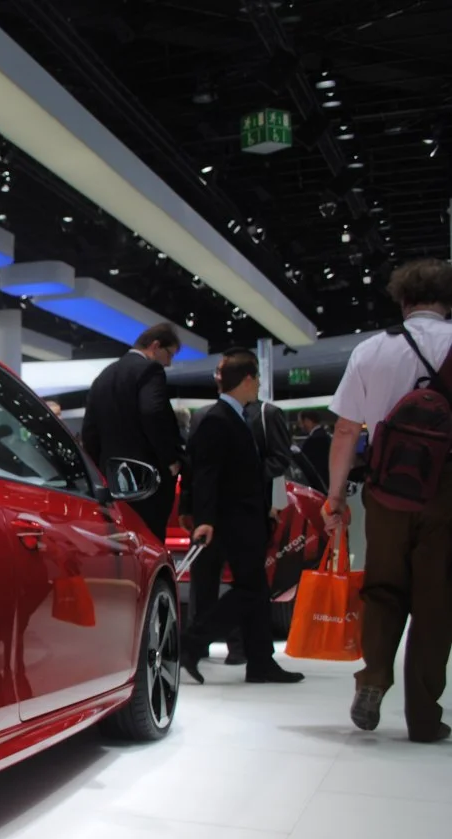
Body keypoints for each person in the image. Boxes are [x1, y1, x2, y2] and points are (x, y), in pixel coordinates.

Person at [323, 259, 452, 743]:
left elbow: (344, 430)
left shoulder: (372, 349)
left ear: (402, 300)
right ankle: (423, 715)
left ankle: (374, 677)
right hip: (446, 494)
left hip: (386, 490)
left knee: (382, 588)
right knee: (437, 600)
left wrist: (335, 496)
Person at [180, 349, 303, 685]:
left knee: (255, 589)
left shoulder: (232, 417)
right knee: (250, 589)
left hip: (243, 517)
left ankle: (260, 662)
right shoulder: (219, 419)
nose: (259, 384)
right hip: (233, 519)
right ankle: (193, 641)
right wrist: (204, 517)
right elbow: (205, 473)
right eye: (257, 378)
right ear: (247, 379)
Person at [82, 323, 185, 541]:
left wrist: (101, 471)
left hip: (113, 482)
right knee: (149, 545)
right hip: (147, 482)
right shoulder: (150, 370)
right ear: (155, 346)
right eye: (169, 354)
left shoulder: (104, 375)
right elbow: (152, 412)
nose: (168, 363)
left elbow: (89, 432)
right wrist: (170, 458)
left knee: (119, 545)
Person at [297, 410, 332, 490]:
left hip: (318, 485)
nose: (300, 426)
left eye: (300, 423)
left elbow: (307, 465)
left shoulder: (314, 440)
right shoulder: (326, 436)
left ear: (307, 421)